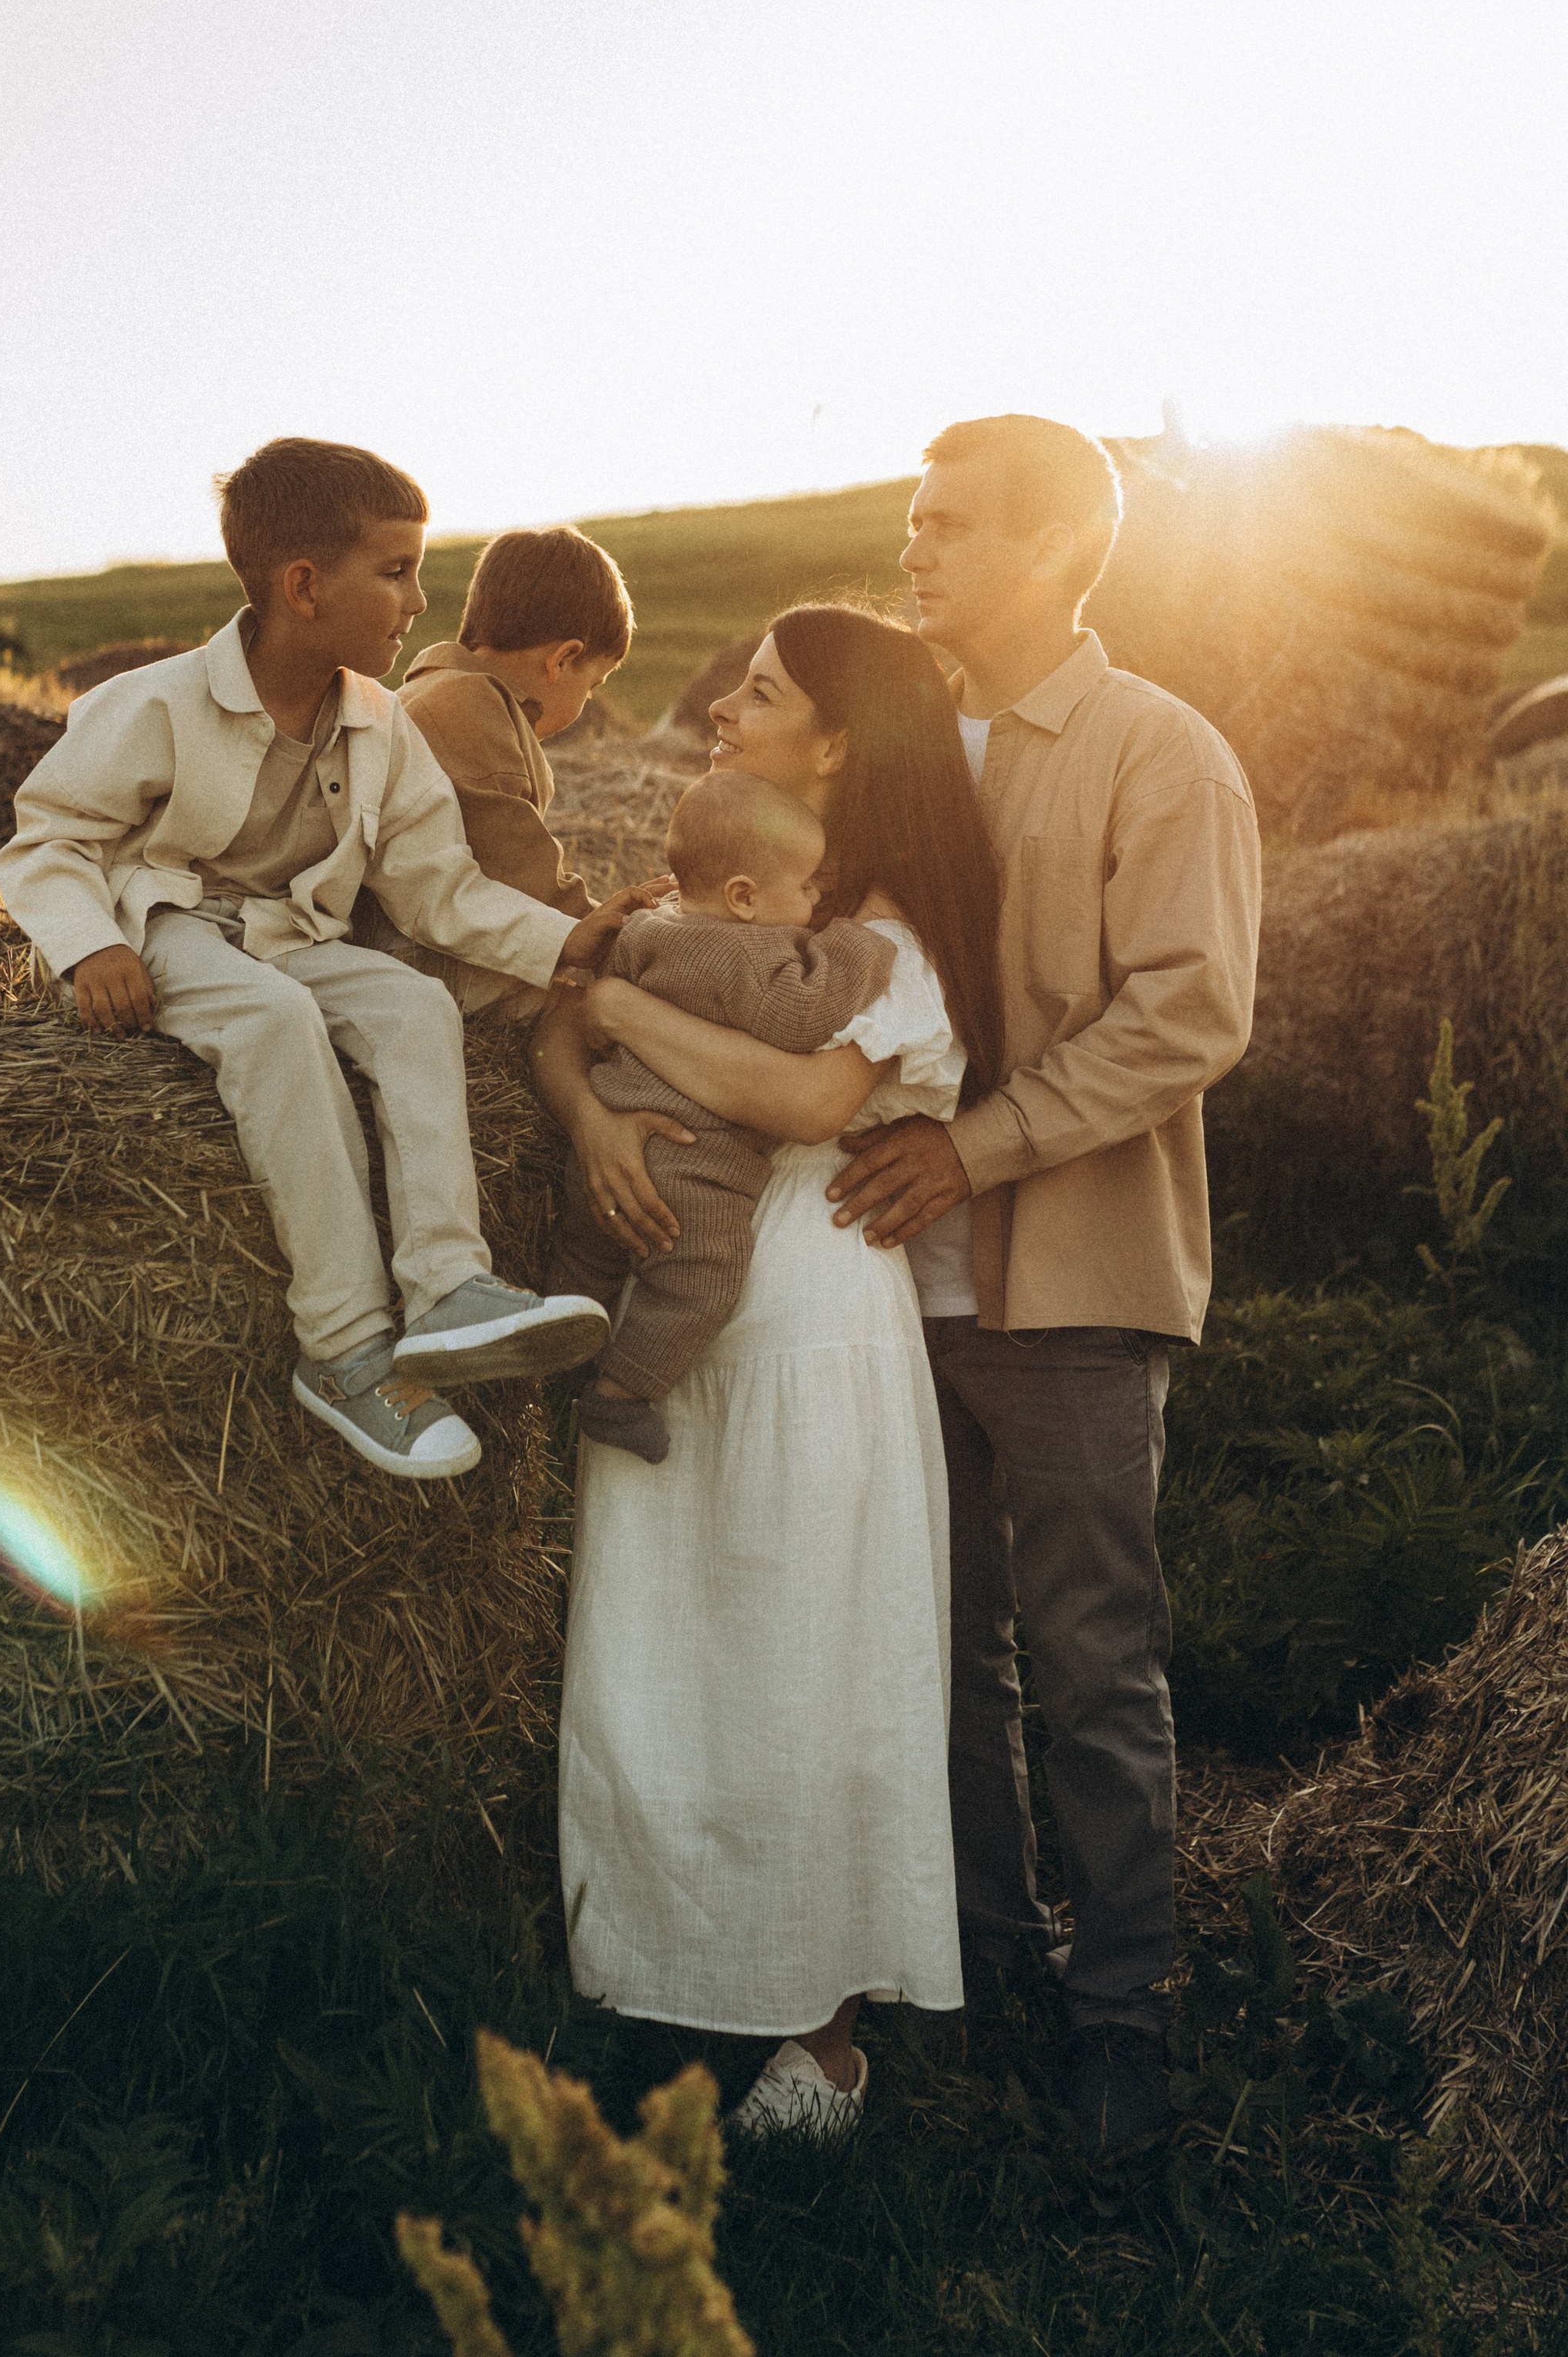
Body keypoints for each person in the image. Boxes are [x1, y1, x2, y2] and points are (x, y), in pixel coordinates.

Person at [826, 416, 1261, 2152]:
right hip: (881, 1286)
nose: (914, 549)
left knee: (1091, 1663)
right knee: (936, 1659)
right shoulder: (886, 746)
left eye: (949, 525)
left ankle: (1121, 2021)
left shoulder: (1161, 753)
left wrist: (976, 1149)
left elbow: (1188, 1012)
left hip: (1074, 1280)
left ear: (1057, 547)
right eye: (913, 519)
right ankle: (985, 1974)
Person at [532, 605, 1006, 2139]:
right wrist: (596, 1119)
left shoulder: (884, 937)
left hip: (808, 1306)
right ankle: (664, 1976)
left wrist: (620, 1006)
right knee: (661, 1651)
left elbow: (803, 1101)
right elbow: (553, 1028)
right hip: (672, 1305)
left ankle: (822, 2043)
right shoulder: (706, 893)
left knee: (806, 1653)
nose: (722, 711)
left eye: (758, 692)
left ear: (839, 742)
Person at [0, 435, 640, 1489]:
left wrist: (560, 940)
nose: (420, 603)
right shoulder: (154, 702)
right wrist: (92, 945)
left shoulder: (380, 724)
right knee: (275, 1023)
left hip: (286, 934)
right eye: (396, 571)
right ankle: (342, 1347)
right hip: (161, 925)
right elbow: (48, 838)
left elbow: (436, 887)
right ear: (303, 587)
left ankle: (447, 1287)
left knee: (412, 1007)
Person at [548, 772, 896, 1464]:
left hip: (605, 1140)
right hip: (687, 1167)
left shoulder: (648, 928)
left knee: (585, 1253)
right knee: (702, 1279)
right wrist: (858, 942)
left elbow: (589, 1007)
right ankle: (621, 1392)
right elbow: (805, 1014)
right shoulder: (753, 956)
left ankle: (553, 1352)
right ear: (743, 898)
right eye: (807, 886)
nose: (816, 898)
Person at [353, 524, 644, 1013]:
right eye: (592, 685)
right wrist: (628, 934)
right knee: (590, 999)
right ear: (563, 660)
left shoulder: (432, 688)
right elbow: (522, 883)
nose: (588, 701)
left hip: (420, 929)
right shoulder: (471, 705)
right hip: (403, 952)